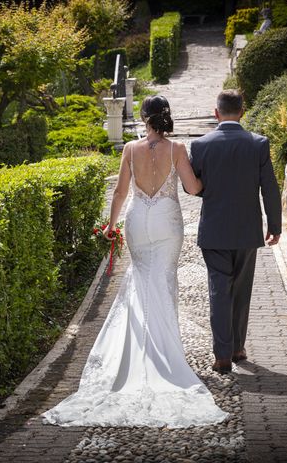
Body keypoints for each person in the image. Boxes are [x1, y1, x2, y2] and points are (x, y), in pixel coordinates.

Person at [42, 95, 227, 428]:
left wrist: (110, 227)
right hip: (167, 222)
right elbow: (193, 187)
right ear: (166, 117)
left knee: (141, 282)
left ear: (143, 117)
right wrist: (208, 179)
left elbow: (119, 193)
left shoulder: (129, 149)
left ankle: (141, 352)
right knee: (164, 282)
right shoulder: (177, 150)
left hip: (138, 220)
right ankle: (166, 355)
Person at [188, 89, 282, 375]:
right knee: (242, 291)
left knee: (219, 291)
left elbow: (192, 187)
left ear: (216, 113)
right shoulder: (258, 144)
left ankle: (222, 355)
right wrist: (274, 226)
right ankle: (239, 347)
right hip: (246, 230)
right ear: (242, 111)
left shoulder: (201, 145)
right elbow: (270, 188)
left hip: (214, 231)